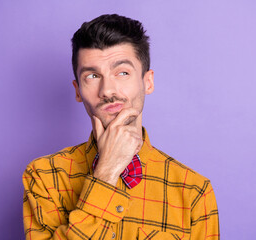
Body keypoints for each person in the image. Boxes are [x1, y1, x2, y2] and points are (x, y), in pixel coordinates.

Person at [23, 14, 219, 240]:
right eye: (93, 76)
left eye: (122, 73)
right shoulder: (44, 177)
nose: (107, 90)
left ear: (148, 82)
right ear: (77, 91)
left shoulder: (194, 191)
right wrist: (106, 173)